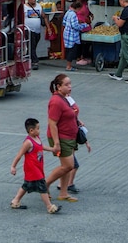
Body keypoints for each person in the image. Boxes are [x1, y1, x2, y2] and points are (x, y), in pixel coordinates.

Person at [9, 118, 61, 214]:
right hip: (32, 169)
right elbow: (19, 155)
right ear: (31, 130)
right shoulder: (28, 142)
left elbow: (41, 147)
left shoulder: (37, 138)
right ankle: (50, 207)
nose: (39, 130)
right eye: (38, 128)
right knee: (42, 186)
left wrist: (52, 149)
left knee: (27, 185)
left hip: (38, 167)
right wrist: (13, 166)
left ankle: (15, 201)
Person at [44, 74, 78, 202]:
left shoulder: (66, 98)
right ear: (58, 86)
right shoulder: (56, 101)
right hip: (62, 138)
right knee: (68, 165)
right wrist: (56, 143)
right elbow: (52, 123)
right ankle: (45, 184)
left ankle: (63, 192)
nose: (70, 87)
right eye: (66, 85)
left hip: (70, 136)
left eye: (70, 84)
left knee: (67, 165)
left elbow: (73, 112)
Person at [59, 90, 90, 196]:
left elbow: (72, 115)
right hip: (66, 139)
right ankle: (67, 184)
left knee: (67, 165)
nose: (69, 91)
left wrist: (78, 120)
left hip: (71, 138)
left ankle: (64, 184)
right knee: (72, 165)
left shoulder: (69, 101)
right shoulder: (62, 103)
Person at [62, 0, 90, 72]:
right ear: (77, 8)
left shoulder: (68, 12)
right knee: (72, 50)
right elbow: (75, 26)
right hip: (72, 35)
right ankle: (68, 66)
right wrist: (84, 25)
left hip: (66, 33)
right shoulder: (73, 14)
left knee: (69, 50)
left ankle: (69, 65)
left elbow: (64, 22)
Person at [24, 0, 44, 69]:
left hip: (37, 29)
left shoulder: (39, 6)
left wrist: (48, 27)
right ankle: (35, 61)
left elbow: (43, 16)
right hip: (28, 29)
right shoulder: (24, 7)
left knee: (34, 45)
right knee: (31, 45)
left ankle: (29, 58)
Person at [73, 0, 93, 66]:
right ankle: (79, 57)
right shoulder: (74, 6)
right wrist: (79, 21)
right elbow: (72, 16)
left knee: (87, 43)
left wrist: (91, 15)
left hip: (87, 26)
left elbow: (89, 12)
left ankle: (85, 56)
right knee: (79, 43)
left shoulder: (85, 4)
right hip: (79, 27)